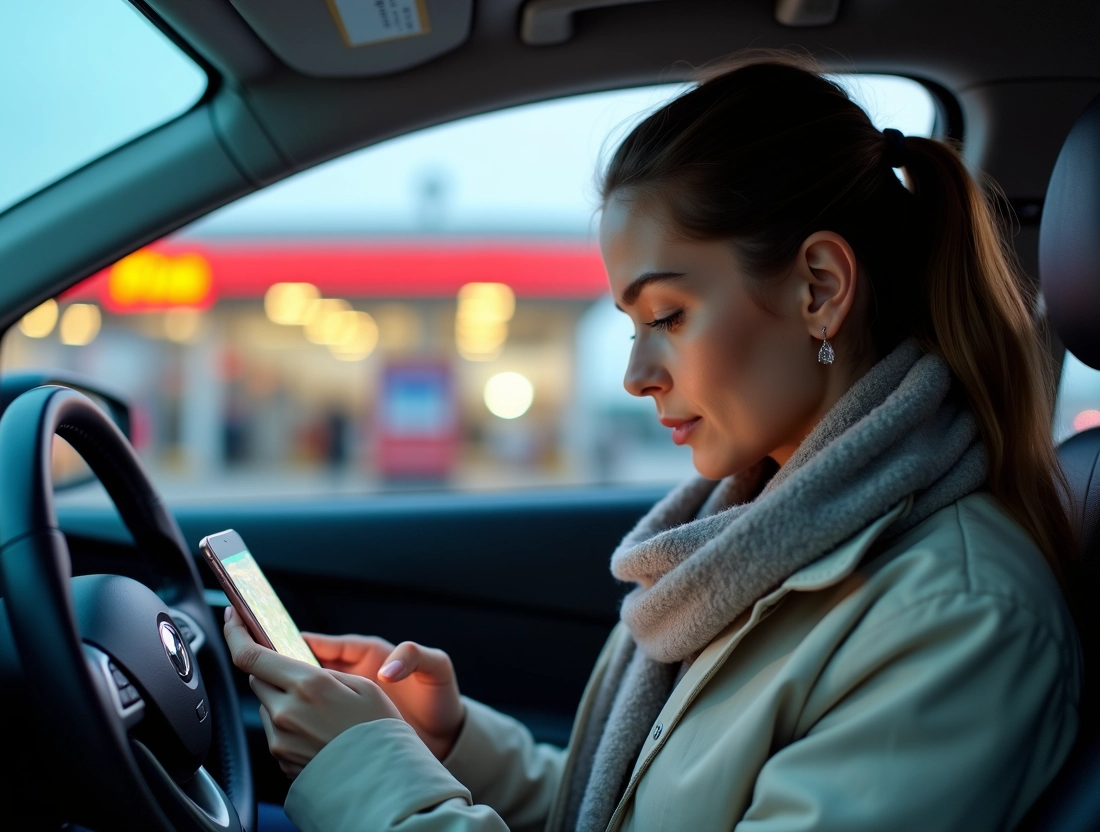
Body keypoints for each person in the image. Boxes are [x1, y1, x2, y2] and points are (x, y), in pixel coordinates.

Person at [223, 56, 1082, 832]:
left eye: (667, 316)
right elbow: (635, 807)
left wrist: (365, 771)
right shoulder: (749, 538)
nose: (637, 375)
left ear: (820, 288)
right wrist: (445, 742)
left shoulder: (958, 619)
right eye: (632, 325)